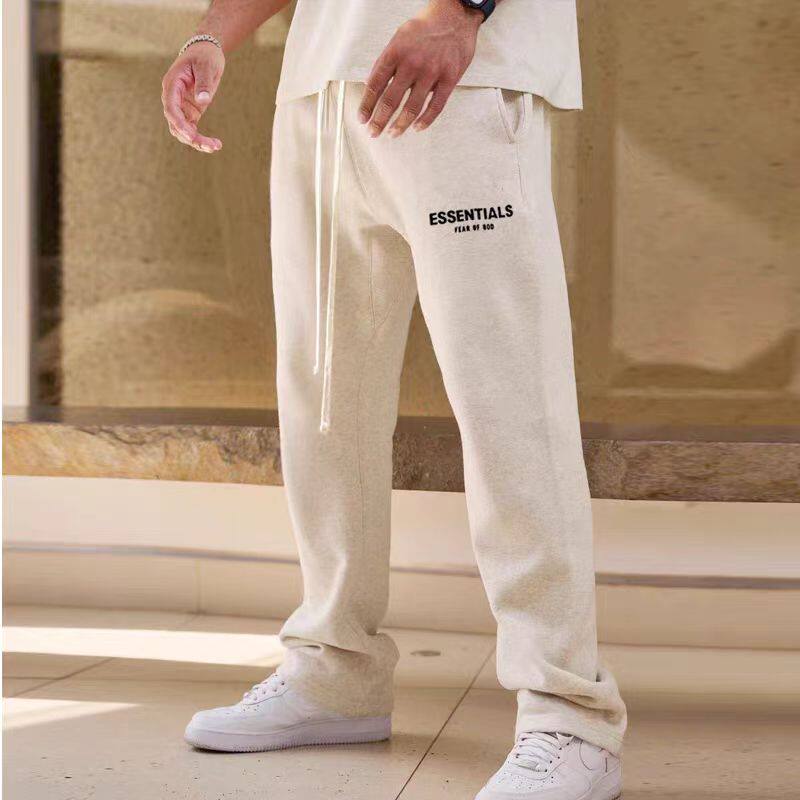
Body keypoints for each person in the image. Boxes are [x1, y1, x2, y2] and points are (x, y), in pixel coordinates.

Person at [162, 1, 626, 797]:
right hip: (321, 88)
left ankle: (570, 712)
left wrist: (461, 11)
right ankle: (335, 669)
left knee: (511, 406)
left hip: (463, 82)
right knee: (324, 403)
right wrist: (213, 36)